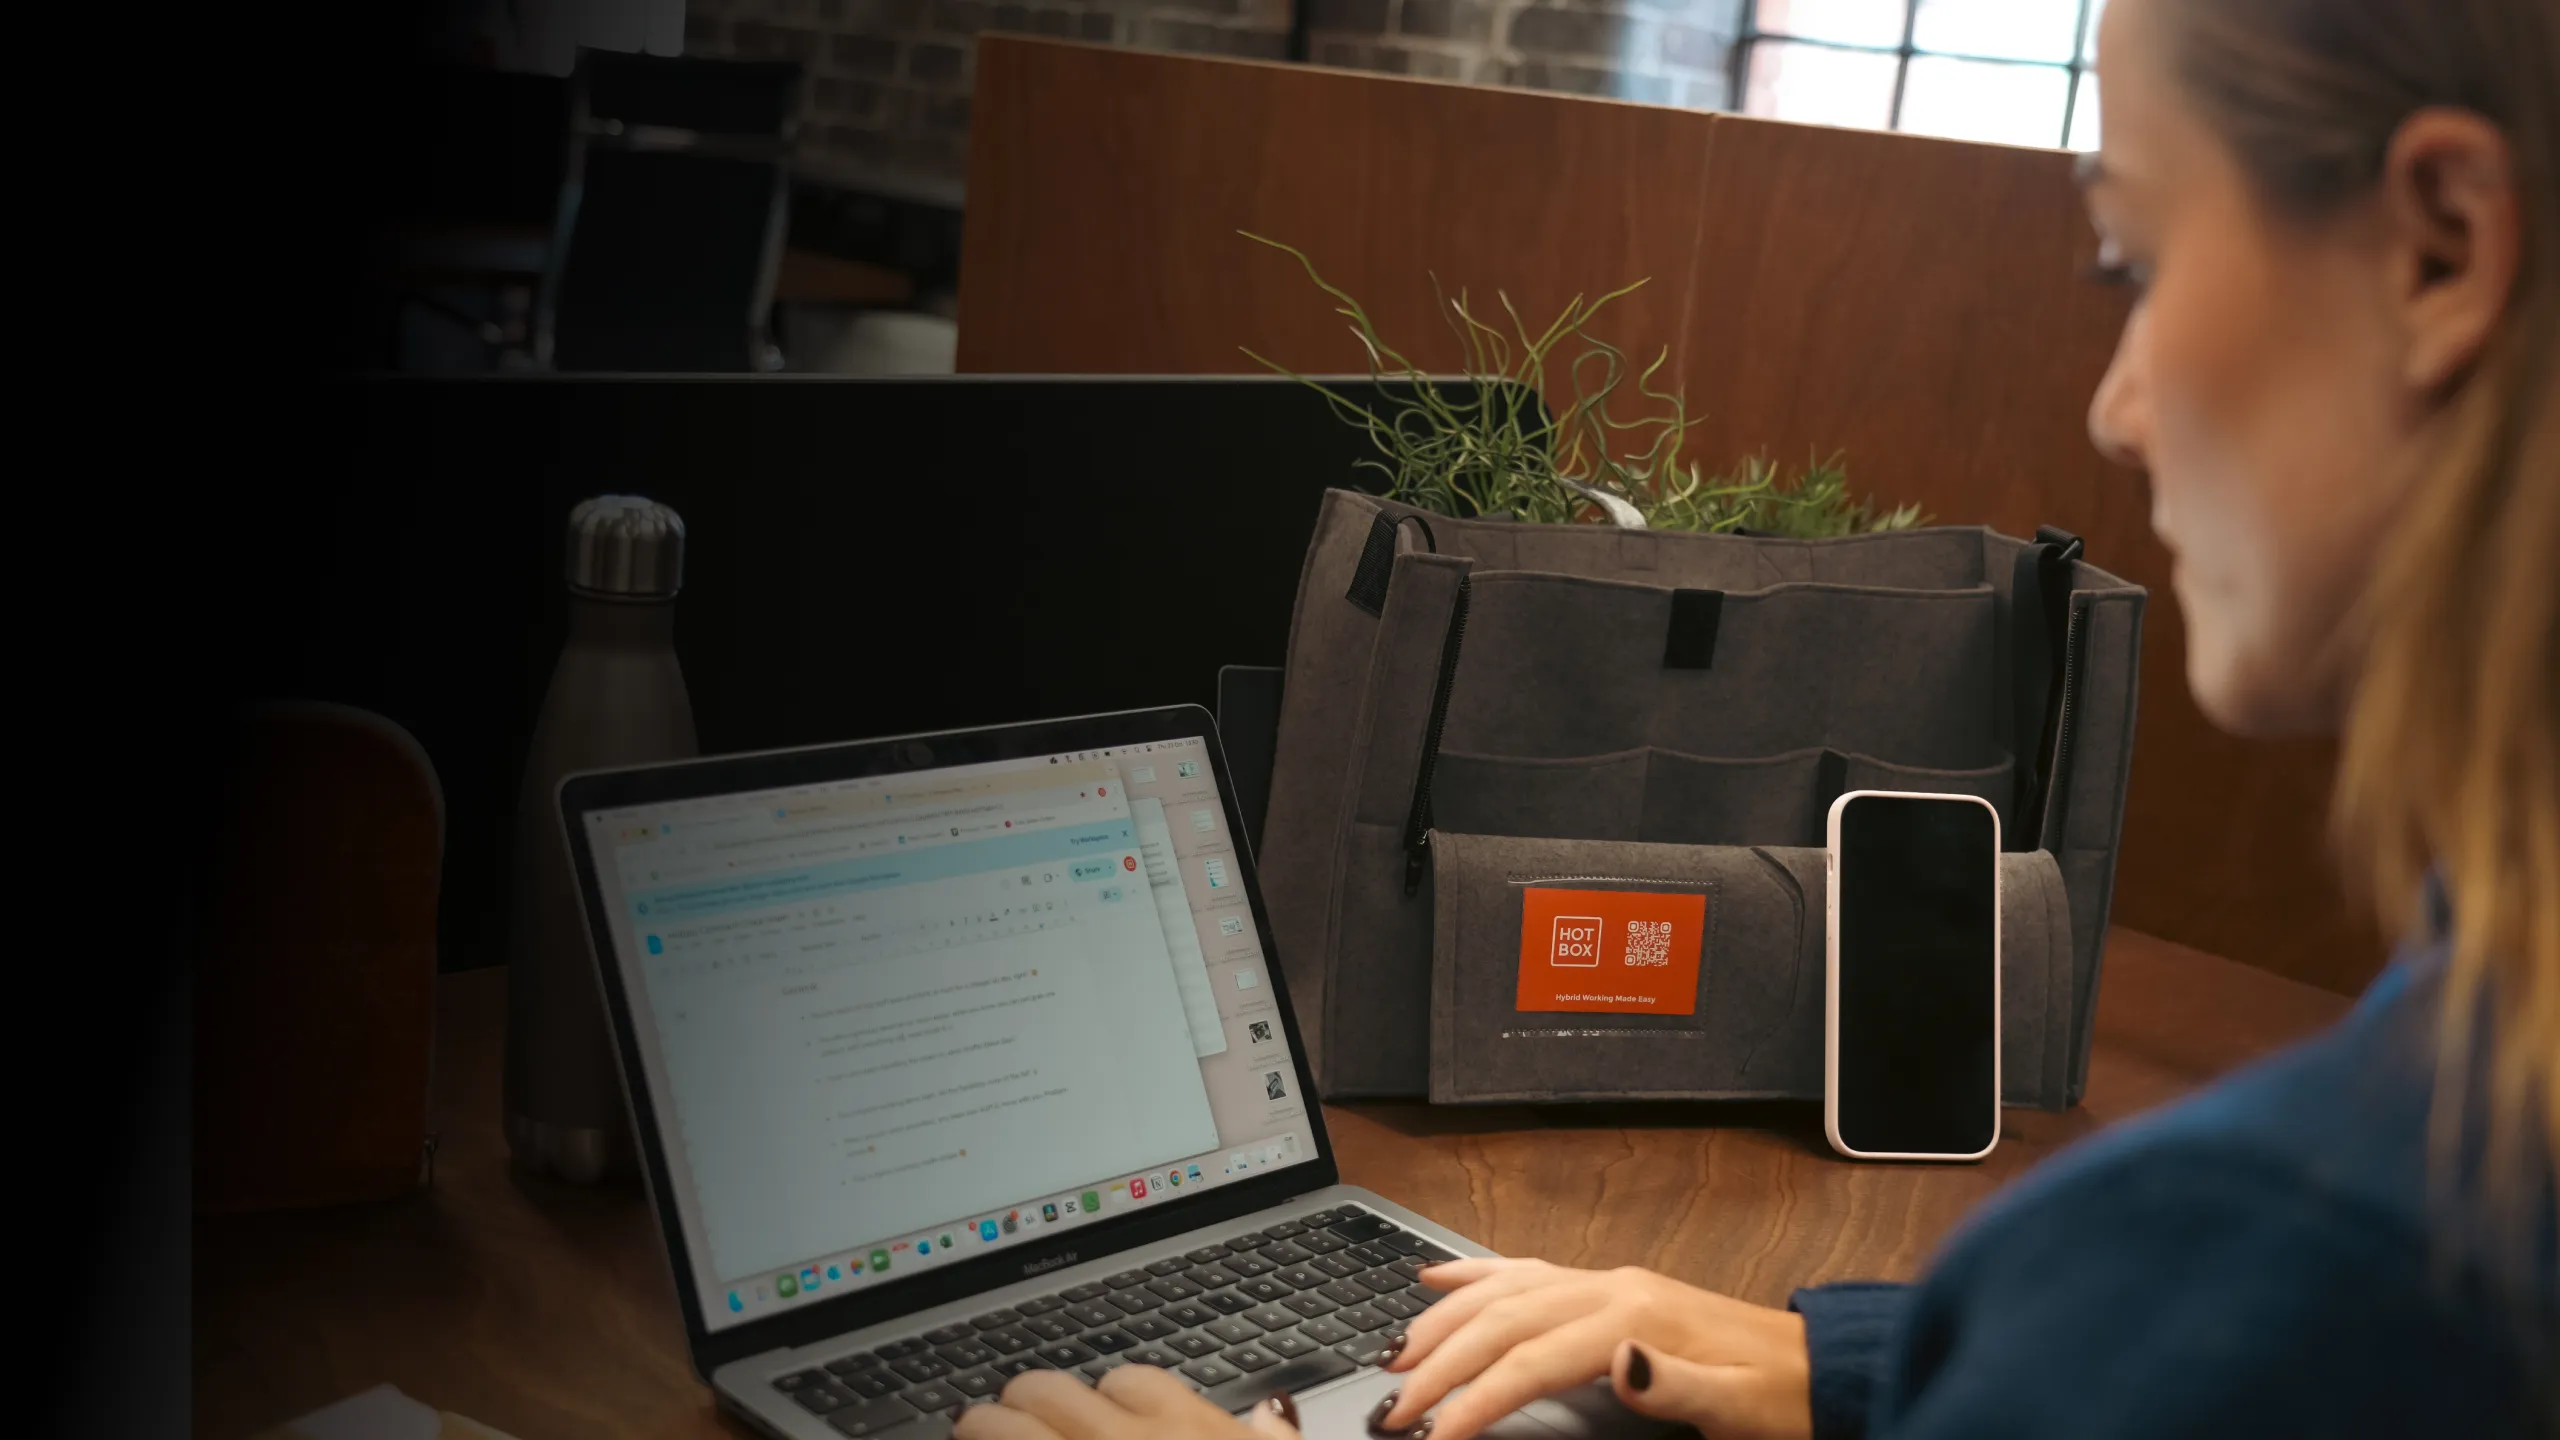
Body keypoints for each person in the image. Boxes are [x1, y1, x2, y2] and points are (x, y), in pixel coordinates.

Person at [951, 0, 2558, 1434]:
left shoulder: (2321, 1243)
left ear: (2441, 248)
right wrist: (1868, 1367)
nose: (2114, 409)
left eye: (2133, 263)